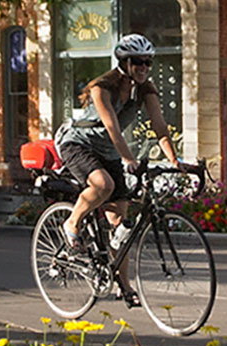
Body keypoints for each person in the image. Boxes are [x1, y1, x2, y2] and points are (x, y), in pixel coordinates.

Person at [55, 34, 181, 294]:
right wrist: (128, 159)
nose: (144, 67)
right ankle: (72, 222)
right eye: (138, 61)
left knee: (120, 225)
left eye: (148, 62)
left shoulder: (145, 88)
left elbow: (158, 124)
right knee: (103, 184)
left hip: (109, 151)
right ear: (123, 62)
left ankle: (123, 286)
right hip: (78, 143)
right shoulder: (102, 88)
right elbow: (112, 127)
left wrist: (174, 160)